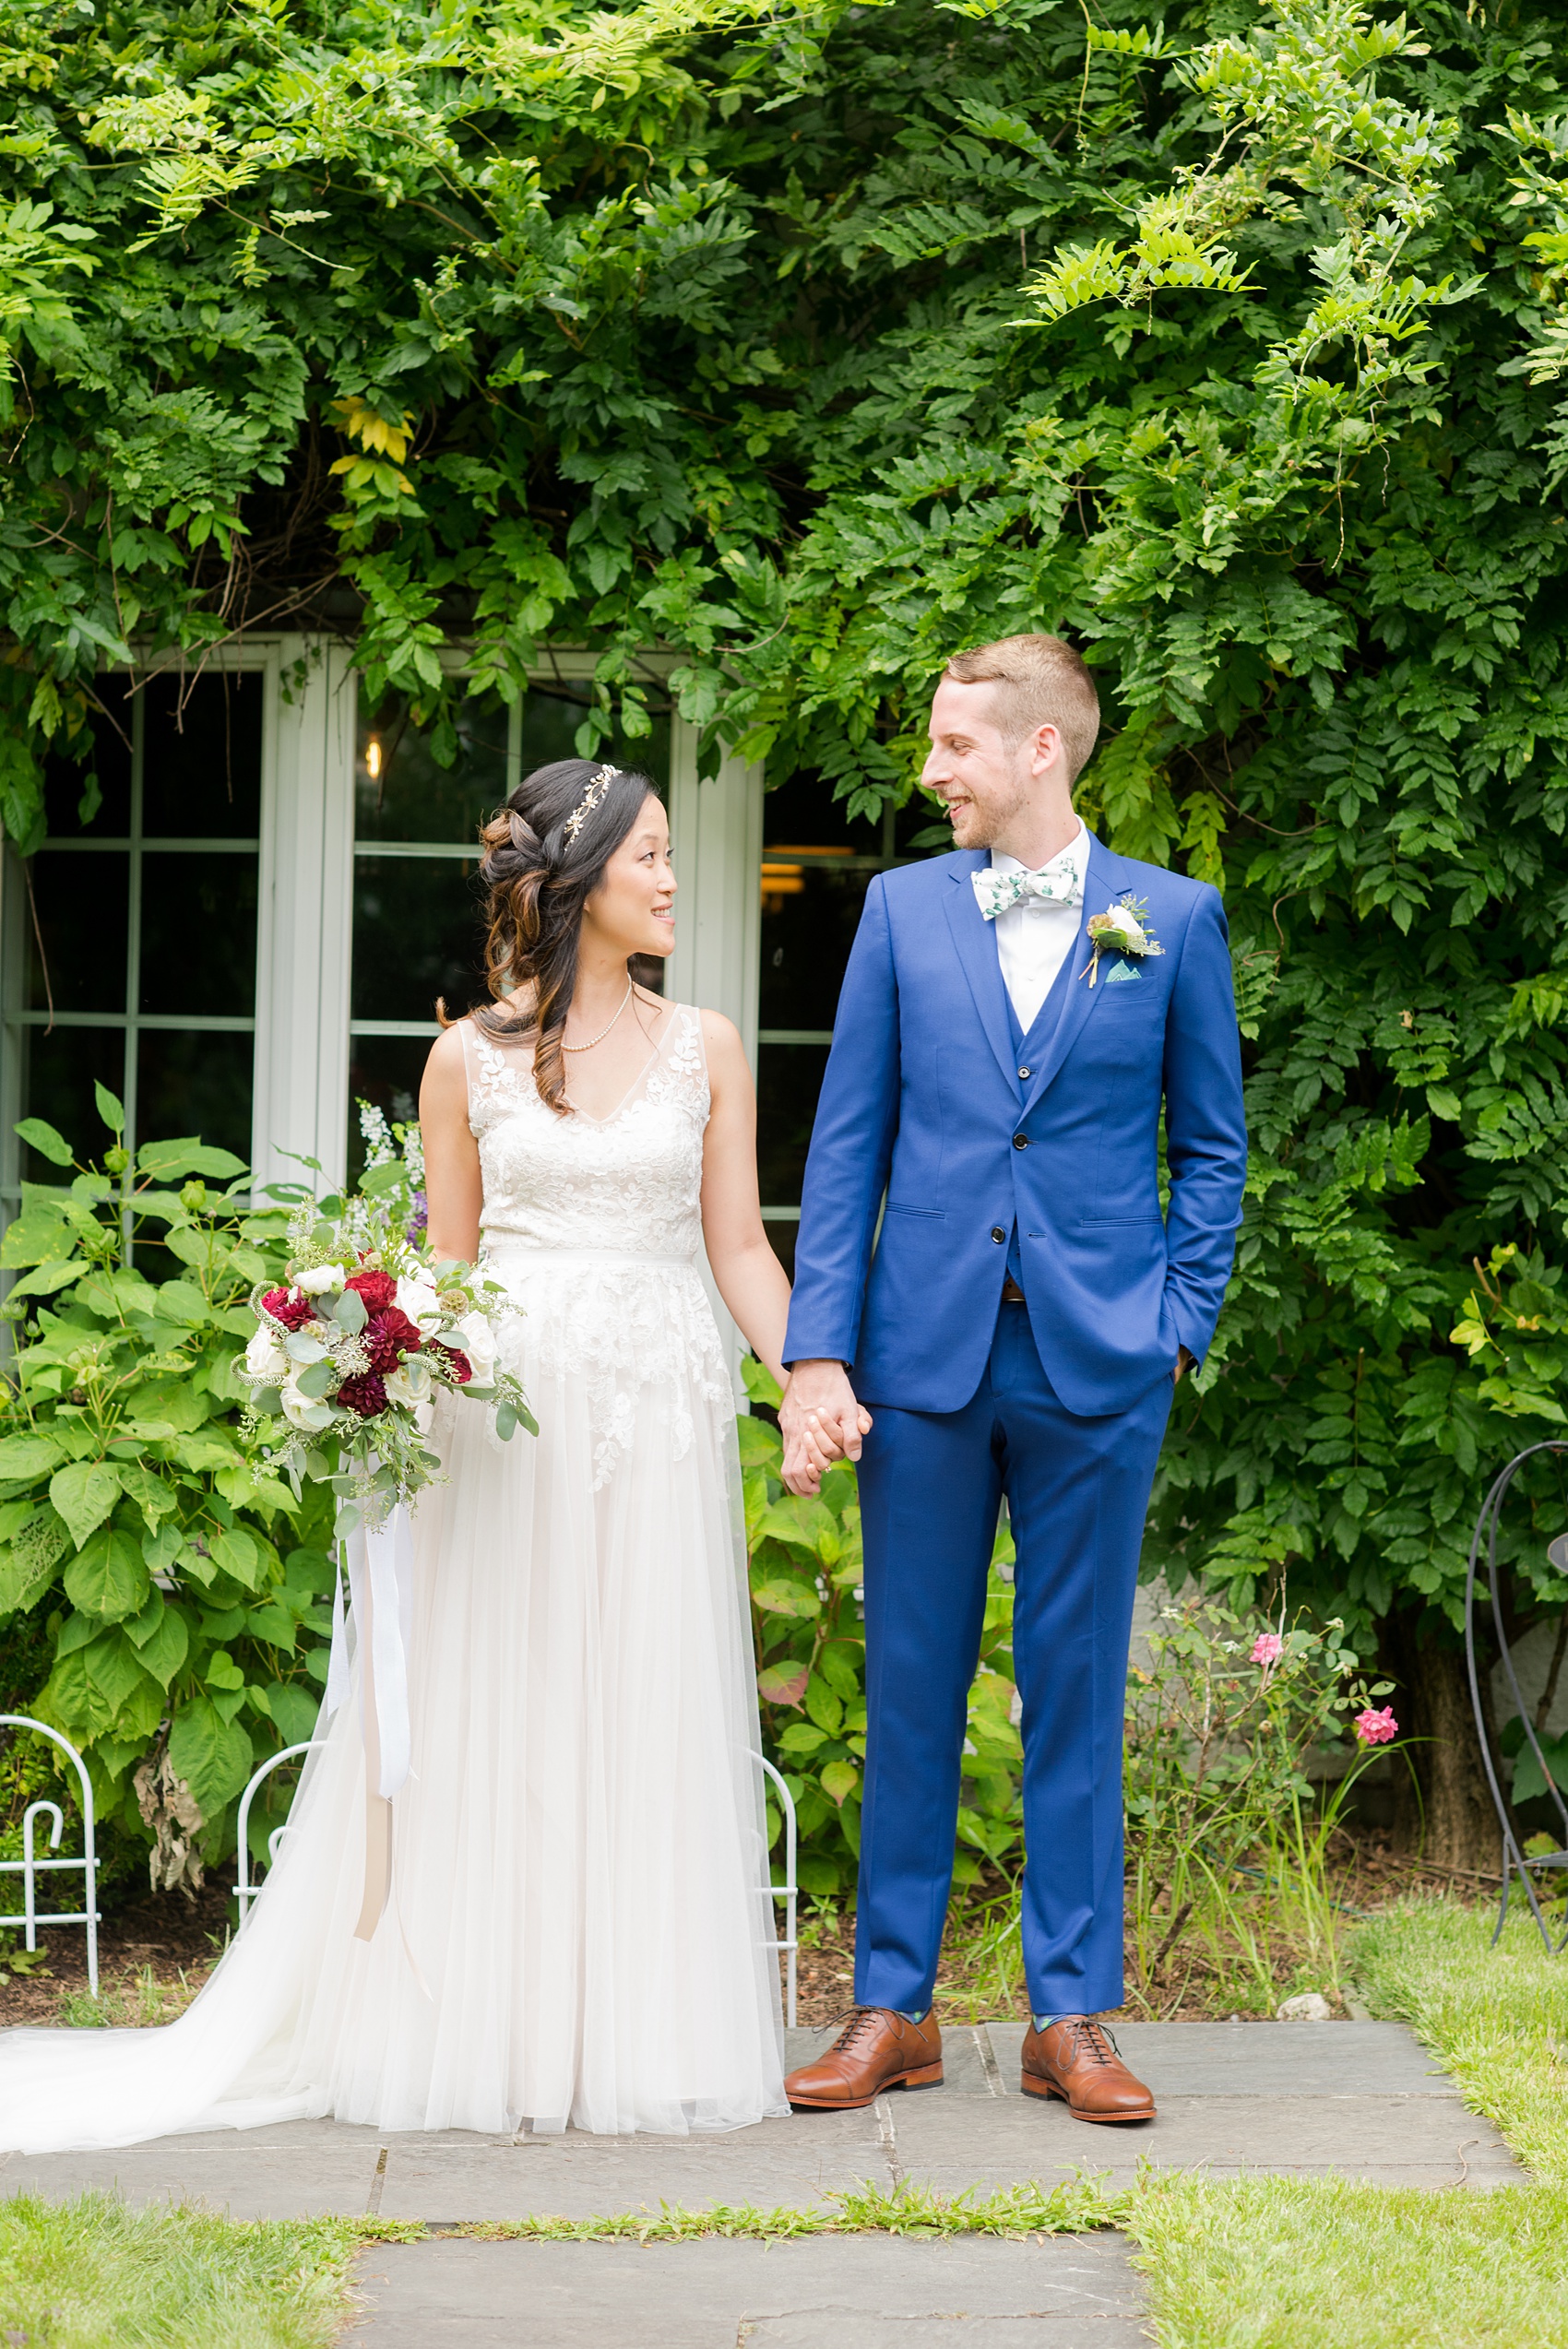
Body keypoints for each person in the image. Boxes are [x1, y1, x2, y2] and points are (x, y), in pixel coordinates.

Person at [0, 757, 803, 2147]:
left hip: (661, 1411)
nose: (674, 878)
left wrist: (806, 1386)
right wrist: (380, 1374)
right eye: (651, 854)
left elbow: (739, 1244)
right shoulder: (465, 1061)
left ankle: (632, 2033)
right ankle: (489, 2034)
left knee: (643, 1707)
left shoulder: (710, 1046)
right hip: (509, 1421)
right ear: (573, 879)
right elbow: (446, 1270)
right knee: (513, 1716)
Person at [777, 635, 1247, 2124]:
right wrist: (821, 1345)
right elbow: (846, 1142)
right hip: (921, 1358)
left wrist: (1176, 1319)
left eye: (955, 745)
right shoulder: (902, 910)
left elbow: (1214, 1148)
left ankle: (1072, 2019)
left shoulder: (1171, 918)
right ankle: (891, 2010)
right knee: (909, 1683)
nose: (933, 771)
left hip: (1101, 1363)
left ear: (1041, 748)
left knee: (1075, 1691)